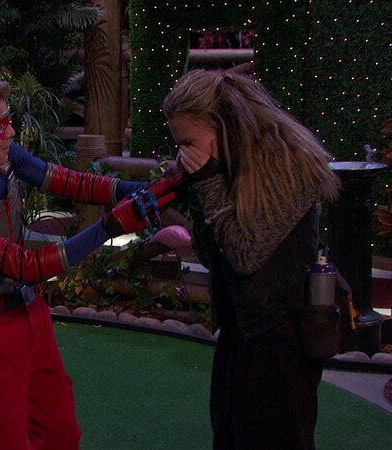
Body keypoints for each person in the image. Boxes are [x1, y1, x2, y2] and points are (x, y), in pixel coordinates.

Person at [0, 74, 181, 450]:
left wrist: (145, 189)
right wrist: (111, 226)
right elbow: (24, 265)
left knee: (60, 431)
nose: (11, 133)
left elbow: (72, 183)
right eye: (0, 126)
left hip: (30, 314)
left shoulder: (3, 160)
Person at [162, 69, 340, 449]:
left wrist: (208, 182)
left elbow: (246, 256)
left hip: (280, 337)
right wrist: (199, 190)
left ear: (223, 124)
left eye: (188, 142)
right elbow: (211, 256)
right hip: (240, 331)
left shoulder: (289, 164)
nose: (183, 154)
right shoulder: (226, 164)